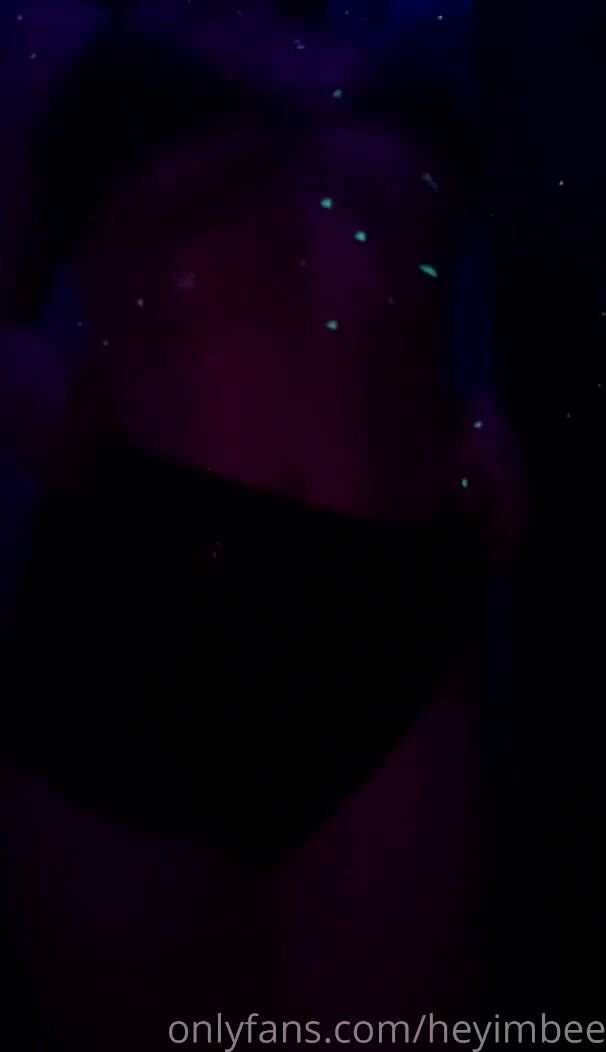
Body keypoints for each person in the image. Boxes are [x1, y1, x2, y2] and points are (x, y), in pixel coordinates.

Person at [0, 3, 522, 1048]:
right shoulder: (60, 36)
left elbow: (422, 278)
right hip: (140, 602)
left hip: (393, 601)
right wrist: (42, 409)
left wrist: (483, 412)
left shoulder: (422, 43)